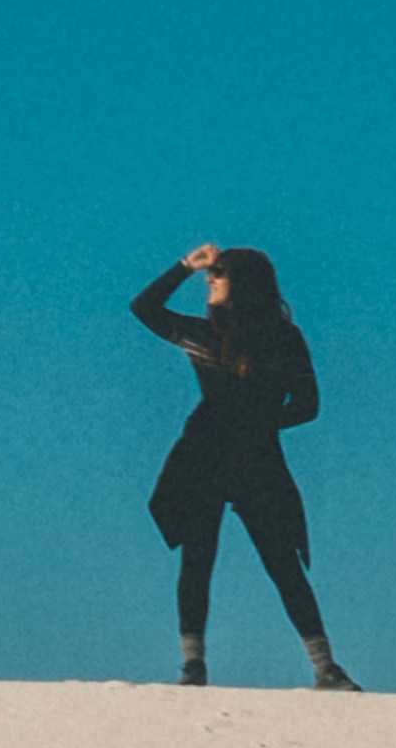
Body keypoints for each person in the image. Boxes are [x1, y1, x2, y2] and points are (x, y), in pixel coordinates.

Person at [134, 237, 354, 687]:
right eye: (210, 275)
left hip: (254, 457)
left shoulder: (283, 339)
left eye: (219, 274)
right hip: (203, 455)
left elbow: (308, 404)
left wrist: (255, 422)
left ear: (246, 283)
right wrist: (185, 264)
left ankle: (325, 669)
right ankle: (193, 668)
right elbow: (144, 307)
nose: (209, 281)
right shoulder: (201, 333)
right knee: (198, 557)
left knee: (282, 560)